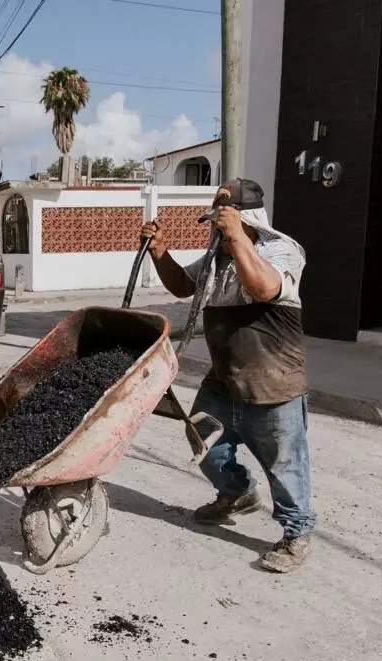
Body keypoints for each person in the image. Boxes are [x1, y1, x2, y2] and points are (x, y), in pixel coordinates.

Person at [140, 178, 316, 573]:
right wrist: (160, 252)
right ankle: (237, 493)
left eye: (221, 223)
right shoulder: (215, 259)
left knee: (284, 465)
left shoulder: (282, 250)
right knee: (205, 442)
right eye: (215, 225)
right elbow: (182, 285)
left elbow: (264, 289)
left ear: (246, 220)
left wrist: (237, 239)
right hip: (223, 381)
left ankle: (297, 533)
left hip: (273, 384)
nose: (216, 232)